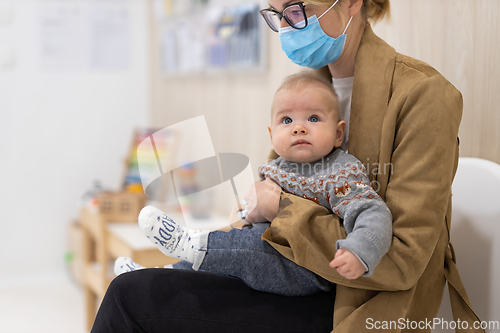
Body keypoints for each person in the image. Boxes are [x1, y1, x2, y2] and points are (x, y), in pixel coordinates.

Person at [91, 0, 483, 332]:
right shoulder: (306, 92)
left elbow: (401, 259)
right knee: (141, 284)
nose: (287, 29)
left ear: (351, 3)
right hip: (283, 268)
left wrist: (283, 212)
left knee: (131, 299)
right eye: (277, 15)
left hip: (357, 299)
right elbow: (267, 194)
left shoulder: (423, 96)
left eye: (298, 10)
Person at [114, 71, 392, 293]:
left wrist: (359, 250)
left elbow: (372, 212)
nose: (299, 127)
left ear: (338, 134)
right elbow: (254, 217)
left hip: (306, 267)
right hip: (265, 249)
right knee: (225, 252)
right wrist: (245, 214)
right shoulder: (276, 168)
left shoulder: (340, 171)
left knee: (244, 247)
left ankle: (193, 243)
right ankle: (156, 279)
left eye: (314, 118)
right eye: (287, 120)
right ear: (272, 135)